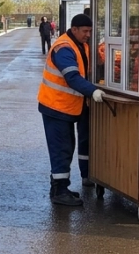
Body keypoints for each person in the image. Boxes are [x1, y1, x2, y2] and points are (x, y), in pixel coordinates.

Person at [38, 13, 104, 206]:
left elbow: (92, 65)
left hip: (69, 105)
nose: (88, 35)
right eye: (85, 31)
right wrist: (93, 92)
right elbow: (72, 78)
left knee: (72, 144)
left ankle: (64, 186)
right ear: (74, 29)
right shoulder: (63, 48)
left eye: (90, 31)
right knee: (61, 148)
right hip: (55, 106)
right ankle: (59, 191)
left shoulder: (80, 45)